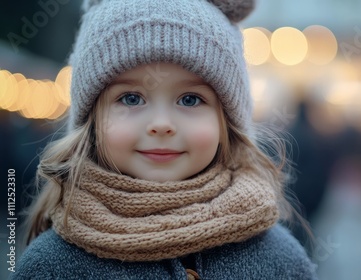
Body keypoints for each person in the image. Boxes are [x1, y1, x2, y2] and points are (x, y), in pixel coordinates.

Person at [11, 0, 318, 279]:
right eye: (131, 98)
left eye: (190, 100)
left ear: (228, 122)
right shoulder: (50, 266)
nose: (161, 125)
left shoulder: (280, 260)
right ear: (91, 121)